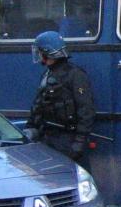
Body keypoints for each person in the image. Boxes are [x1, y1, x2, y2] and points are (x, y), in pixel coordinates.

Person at [27, 30, 96, 167]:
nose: (39, 56)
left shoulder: (75, 75)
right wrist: (31, 128)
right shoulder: (47, 75)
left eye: (40, 52)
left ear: (47, 52)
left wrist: (80, 141)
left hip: (68, 139)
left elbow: (86, 109)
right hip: (47, 137)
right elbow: (38, 106)